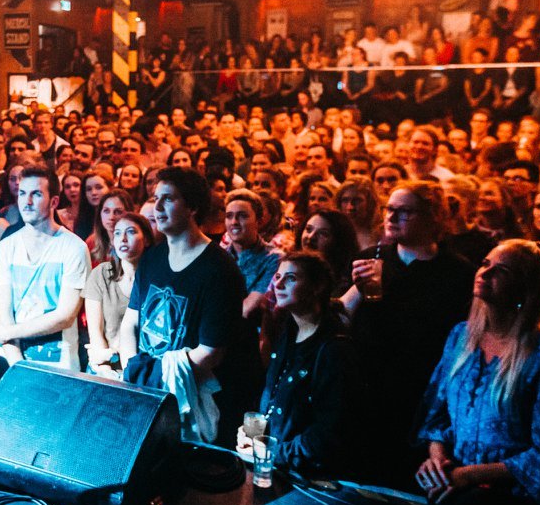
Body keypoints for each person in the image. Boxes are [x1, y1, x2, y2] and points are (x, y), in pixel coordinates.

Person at [415, 240, 540, 505]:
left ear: (524, 287)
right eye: (485, 264)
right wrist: (437, 458)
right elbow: (438, 414)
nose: (485, 272)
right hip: (457, 483)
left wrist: (469, 476)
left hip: (513, 503)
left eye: (501, 270)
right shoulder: (461, 337)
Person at [343, 180, 476, 481]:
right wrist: (356, 290)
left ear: (433, 218)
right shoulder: (371, 257)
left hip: (420, 388)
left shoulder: (457, 271)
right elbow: (341, 320)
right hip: (368, 382)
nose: (391, 217)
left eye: (405, 212)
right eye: (389, 209)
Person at [119, 168, 252, 444]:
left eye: (168, 199)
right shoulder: (152, 258)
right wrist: (133, 374)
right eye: (155, 198)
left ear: (192, 206)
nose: (156, 207)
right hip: (146, 387)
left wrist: (152, 378)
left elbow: (210, 353)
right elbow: (131, 323)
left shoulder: (219, 269)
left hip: (189, 398)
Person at [238, 251, 361, 477]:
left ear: (317, 287)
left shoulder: (334, 349)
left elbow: (326, 434)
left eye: (291, 278)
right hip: (278, 467)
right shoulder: (288, 331)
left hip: (309, 478)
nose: (279, 284)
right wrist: (252, 437)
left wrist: (271, 452)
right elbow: (270, 397)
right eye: (277, 276)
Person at [0, 166, 90, 369]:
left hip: (58, 361)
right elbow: (4, 314)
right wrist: (18, 365)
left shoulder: (74, 247)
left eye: (37, 194)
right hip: (11, 359)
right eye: (23, 193)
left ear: (54, 202)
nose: (28, 201)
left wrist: (7, 333)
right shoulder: (7, 246)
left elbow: (64, 316)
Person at [85, 213, 155, 378]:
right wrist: (106, 369)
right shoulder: (101, 274)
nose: (123, 238)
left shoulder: (156, 279)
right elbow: (95, 334)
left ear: (146, 240)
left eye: (131, 232)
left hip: (145, 371)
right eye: (117, 233)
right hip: (107, 367)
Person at [224, 190, 283, 318]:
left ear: (259, 221)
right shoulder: (220, 257)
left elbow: (249, 308)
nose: (234, 222)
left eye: (242, 216)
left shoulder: (274, 258)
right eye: (229, 216)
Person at [87, 188, 132, 267]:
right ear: (100, 213)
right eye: (106, 211)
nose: (111, 217)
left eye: (118, 211)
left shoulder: (135, 242)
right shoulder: (91, 242)